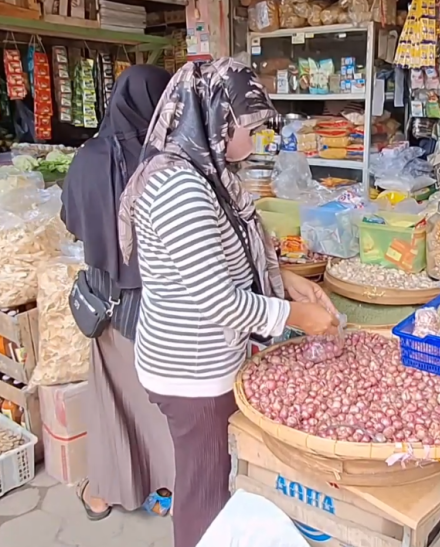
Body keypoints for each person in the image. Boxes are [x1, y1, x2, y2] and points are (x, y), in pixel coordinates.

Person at [118, 58, 341, 547]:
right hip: (192, 369)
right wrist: (293, 316)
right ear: (215, 117)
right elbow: (216, 299)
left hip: (200, 358)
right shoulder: (179, 187)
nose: (256, 138)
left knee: (209, 477)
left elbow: (217, 259)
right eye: (249, 125)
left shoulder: (204, 172)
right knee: (204, 491)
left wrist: (283, 280)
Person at [61, 65, 176, 520]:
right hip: (161, 303)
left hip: (106, 299)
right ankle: (168, 489)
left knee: (113, 402)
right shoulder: (170, 162)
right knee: (160, 403)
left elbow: (72, 219)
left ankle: (106, 492)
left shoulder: (87, 156)